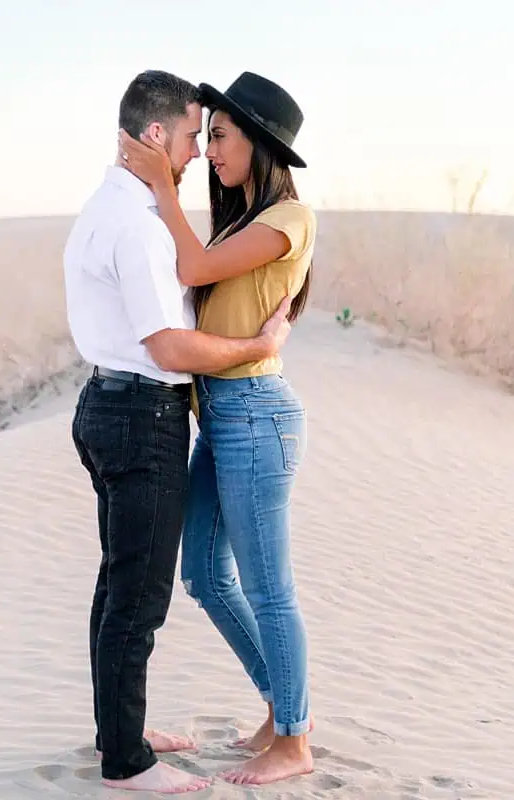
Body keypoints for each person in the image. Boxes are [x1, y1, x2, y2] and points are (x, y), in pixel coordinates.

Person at [63, 69, 296, 795]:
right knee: (138, 596)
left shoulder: (108, 206)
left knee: (118, 586)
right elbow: (169, 346)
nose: (199, 152)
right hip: (142, 417)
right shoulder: (136, 222)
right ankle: (127, 763)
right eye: (195, 135)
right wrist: (255, 349)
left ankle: (119, 733)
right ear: (157, 134)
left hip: (114, 407)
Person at [116, 70, 317, 786]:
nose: (210, 151)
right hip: (224, 417)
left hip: (258, 417)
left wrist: (161, 188)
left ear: (260, 144)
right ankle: (282, 704)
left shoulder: (289, 220)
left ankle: (294, 740)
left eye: (222, 136)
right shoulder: (241, 221)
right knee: (203, 572)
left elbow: (192, 263)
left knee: (269, 589)